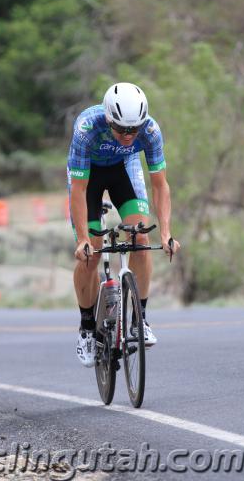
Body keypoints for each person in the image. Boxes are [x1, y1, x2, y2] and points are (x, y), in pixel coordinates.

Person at [67, 82, 180, 367]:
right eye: (122, 129)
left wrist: (166, 233)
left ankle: (139, 321)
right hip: (89, 176)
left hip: (123, 170)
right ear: (108, 119)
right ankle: (86, 328)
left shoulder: (150, 132)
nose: (129, 135)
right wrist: (82, 238)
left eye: (135, 129)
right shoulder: (86, 129)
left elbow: (160, 185)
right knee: (91, 250)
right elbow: (78, 190)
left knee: (141, 238)